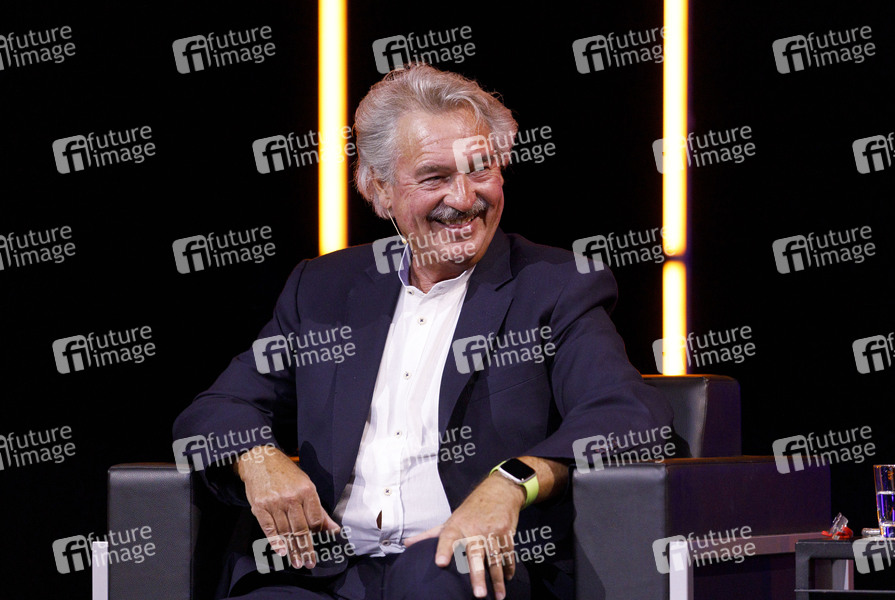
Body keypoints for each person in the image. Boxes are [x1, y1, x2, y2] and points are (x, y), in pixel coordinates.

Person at [173, 63, 672, 600]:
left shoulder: (555, 287)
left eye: (480, 169)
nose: (464, 198)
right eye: (435, 178)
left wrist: (511, 482)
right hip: (323, 571)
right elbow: (216, 409)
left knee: (430, 578)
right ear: (380, 190)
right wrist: (256, 457)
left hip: (459, 569)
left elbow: (627, 418)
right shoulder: (323, 288)